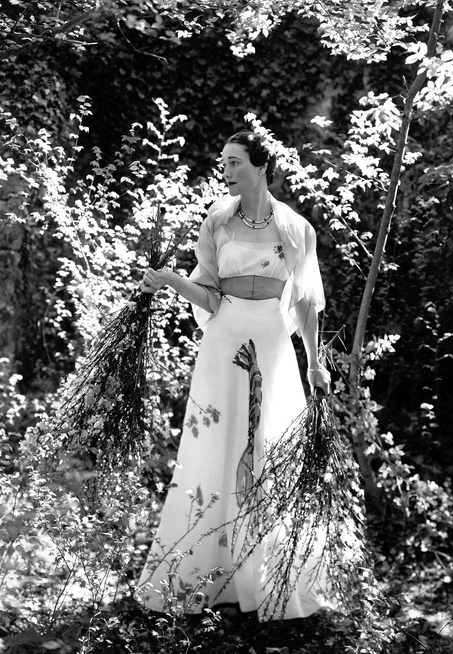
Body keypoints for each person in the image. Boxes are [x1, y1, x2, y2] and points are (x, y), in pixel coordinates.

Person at [137, 129, 332, 621]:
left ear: (261, 165)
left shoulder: (295, 229)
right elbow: (208, 295)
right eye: (222, 161)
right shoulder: (218, 222)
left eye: (234, 161)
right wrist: (170, 281)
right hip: (223, 344)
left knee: (269, 449)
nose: (224, 169)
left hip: (271, 344)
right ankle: (206, 575)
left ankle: (268, 580)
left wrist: (314, 362)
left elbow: (307, 304)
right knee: (215, 447)